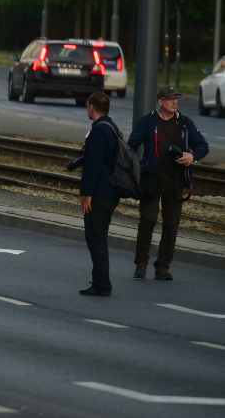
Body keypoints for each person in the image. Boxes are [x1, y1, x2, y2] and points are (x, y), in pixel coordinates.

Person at [128, 85, 209, 281]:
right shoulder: (148, 121)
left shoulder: (184, 123)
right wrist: (139, 168)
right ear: (161, 101)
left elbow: (203, 146)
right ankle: (141, 263)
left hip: (175, 181)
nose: (175, 102)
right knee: (148, 220)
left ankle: (162, 266)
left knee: (171, 225)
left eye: (176, 99)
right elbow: (131, 145)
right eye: (170, 99)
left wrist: (192, 156)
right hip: (152, 180)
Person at [71, 91, 122, 296]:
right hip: (110, 191)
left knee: (96, 237)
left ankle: (101, 283)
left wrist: (86, 193)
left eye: (87, 106)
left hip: (100, 193)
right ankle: (101, 281)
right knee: (98, 236)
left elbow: (93, 165)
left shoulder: (99, 131)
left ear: (91, 107)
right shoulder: (112, 127)